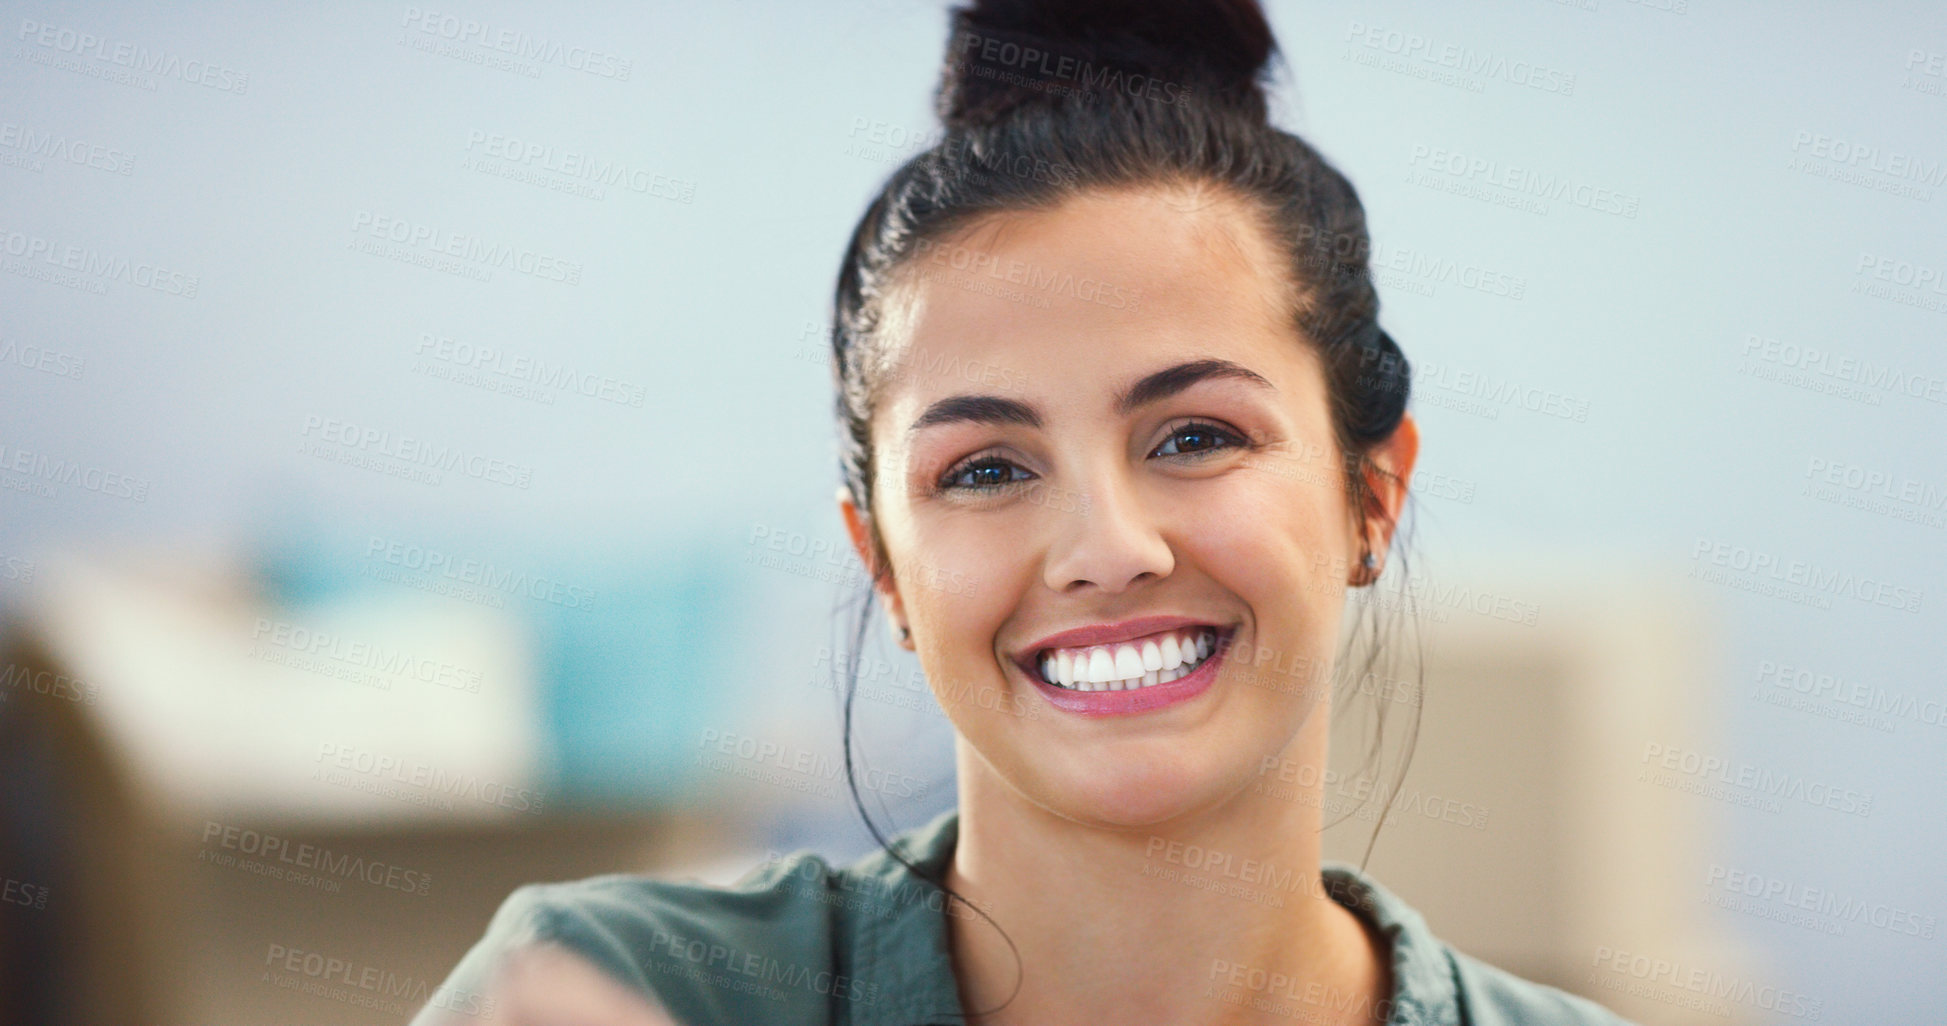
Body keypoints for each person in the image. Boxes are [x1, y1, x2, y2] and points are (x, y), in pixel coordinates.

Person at [412, 2, 1639, 1023]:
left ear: (1371, 497)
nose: (1106, 549)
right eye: (987, 469)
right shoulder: (618, 991)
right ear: (884, 567)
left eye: (1196, 437)